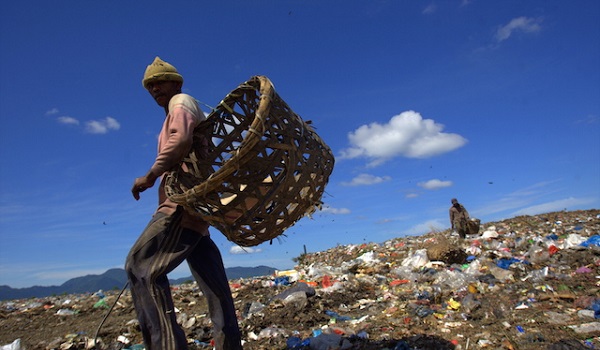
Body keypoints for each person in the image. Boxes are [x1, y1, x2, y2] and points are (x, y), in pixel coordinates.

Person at [125, 57, 242, 350]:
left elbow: (178, 141)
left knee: (139, 267)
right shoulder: (179, 108)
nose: (154, 89)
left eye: (159, 82)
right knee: (214, 286)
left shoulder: (181, 102)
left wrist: (151, 175)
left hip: (181, 206)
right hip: (199, 213)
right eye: (149, 86)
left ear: (175, 83)